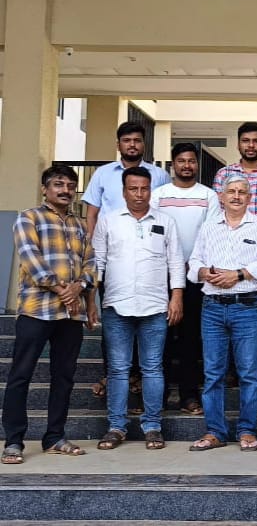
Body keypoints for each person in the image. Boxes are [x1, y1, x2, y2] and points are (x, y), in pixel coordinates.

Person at [1, 166, 98, 465]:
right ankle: (13, 441)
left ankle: (55, 437)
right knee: (21, 375)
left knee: (64, 377)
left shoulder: (80, 225)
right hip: (36, 310)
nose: (65, 190)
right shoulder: (28, 218)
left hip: (70, 315)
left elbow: (90, 262)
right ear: (45, 189)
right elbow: (31, 258)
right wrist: (62, 289)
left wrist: (79, 287)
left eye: (70, 185)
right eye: (58, 184)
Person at [92, 166, 185, 451]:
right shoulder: (108, 221)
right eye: (133, 188)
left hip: (155, 306)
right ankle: (116, 427)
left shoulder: (165, 221)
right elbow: (98, 263)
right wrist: (91, 301)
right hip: (116, 305)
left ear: (150, 191)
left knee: (153, 368)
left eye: (144, 188)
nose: (139, 194)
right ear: (124, 192)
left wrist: (177, 297)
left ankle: (153, 426)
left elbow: (175, 262)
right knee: (118, 369)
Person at [187, 175, 257, 453]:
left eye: (242, 192)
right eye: (231, 191)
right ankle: (215, 431)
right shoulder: (208, 227)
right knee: (213, 373)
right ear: (221, 197)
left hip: (247, 306)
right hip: (212, 307)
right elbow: (194, 261)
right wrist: (204, 272)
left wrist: (238, 275)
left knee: (248, 372)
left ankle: (247, 430)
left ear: (249, 198)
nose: (236, 196)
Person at [81, 121, 170, 399]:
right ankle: (112, 374)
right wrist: (93, 251)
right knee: (114, 320)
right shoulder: (103, 174)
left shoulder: (159, 175)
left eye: (137, 140)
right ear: (118, 144)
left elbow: (165, 215)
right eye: (127, 140)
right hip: (113, 260)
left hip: (149, 262)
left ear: (144, 144)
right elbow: (92, 214)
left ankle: (141, 378)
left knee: (149, 320)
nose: (132, 145)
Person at [150, 142, 221, 415]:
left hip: (196, 277)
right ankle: (158, 396)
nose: (187, 165)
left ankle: (189, 396)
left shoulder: (208, 196)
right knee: (161, 338)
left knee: (192, 339)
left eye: (191, 161)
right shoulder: (158, 195)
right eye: (181, 161)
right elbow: (153, 232)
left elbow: (211, 234)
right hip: (162, 276)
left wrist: (195, 265)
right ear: (173, 164)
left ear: (197, 165)